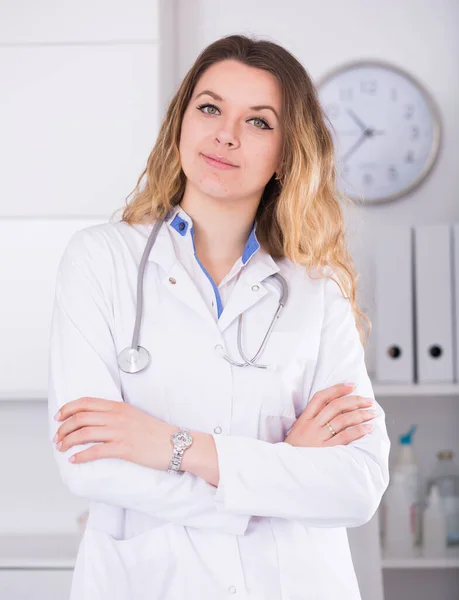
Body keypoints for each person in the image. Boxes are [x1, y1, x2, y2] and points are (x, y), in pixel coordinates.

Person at [48, 34, 390, 600]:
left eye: (259, 122)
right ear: (180, 124)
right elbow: (87, 463)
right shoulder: (100, 261)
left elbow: (357, 486)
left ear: (286, 153)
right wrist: (278, 475)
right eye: (209, 108)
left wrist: (174, 446)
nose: (225, 134)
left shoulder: (315, 289)